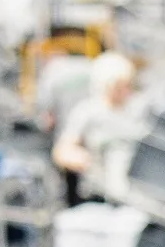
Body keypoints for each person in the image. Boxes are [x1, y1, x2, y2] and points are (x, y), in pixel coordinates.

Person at [53, 51, 145, 205]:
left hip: (136, 186)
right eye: (119, 86)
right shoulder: (87, 112)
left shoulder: (138, 109)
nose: (126, 91)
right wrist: (82, 159)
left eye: (128, 85)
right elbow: (62, 151)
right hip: (99, 190)